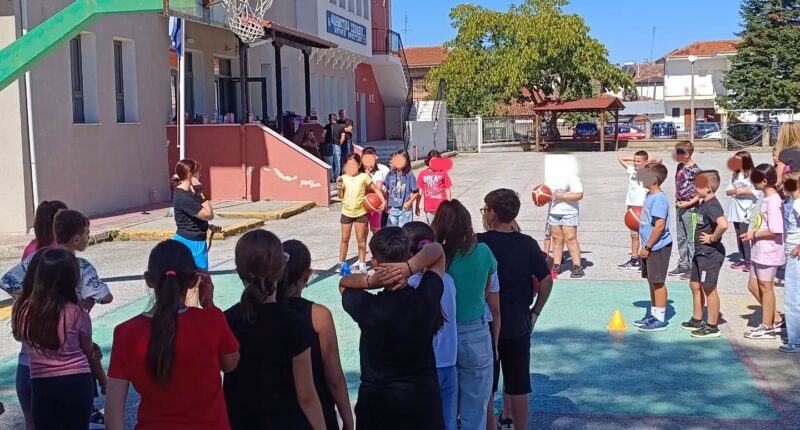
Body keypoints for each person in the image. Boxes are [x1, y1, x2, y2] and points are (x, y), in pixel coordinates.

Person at [105, 240, 240, 430]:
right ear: (194, 281)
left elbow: (113, 417)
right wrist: (209, 306)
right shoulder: (212, 320)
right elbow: (230, 364)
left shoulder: (126, 332)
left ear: (149, 280)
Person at [2, 210, 114, 428]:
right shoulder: (77, 311)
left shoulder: (24, 310)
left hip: (36, 378)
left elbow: (8, 283)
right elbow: (89, 350)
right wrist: (103, 380)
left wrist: (30, 299)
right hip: (76, 381)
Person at [339, 227, 446, 430]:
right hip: (422, 404)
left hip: (377, 407)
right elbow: (437, 251)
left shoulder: (368, 306)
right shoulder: (425, 300)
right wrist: (408, 268)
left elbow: (344, 284)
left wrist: (371, 281)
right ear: (409, 255)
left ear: (375, 262)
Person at [224, 230, 326, 430]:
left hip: (238, 421)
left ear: (238, 270)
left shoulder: (226, 320)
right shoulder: (295, 324)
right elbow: (306, 395)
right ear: (281, 270)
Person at [478, 189, 552, 430]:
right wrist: (535, 311)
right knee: (518, 382)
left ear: (492, 214)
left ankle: (491, 424)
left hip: (486, 319)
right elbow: (546, 279)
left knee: (486, 381)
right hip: (518, 318)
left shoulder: (480, 242)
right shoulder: (527, 243)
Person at [277, 240, 355, 430]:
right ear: (308, 274)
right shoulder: (318, 315)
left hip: (272, 411)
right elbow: (334, 375)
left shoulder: (254, 313)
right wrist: (348, 419)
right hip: (316, 412)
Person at [435, 199, 497, 429]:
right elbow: (488, 292)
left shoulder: (436, 256)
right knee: (476, 407)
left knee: (444, 408)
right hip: (475, 330)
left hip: (441, 333)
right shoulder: (483, 252)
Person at [402, 222, 458, 430]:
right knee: (448, 421)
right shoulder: (448, 281)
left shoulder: (412, 285)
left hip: (425, 365)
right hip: (449, 361)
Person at [681, 171, 728, 338]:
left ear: (708, 188)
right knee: (694, 284)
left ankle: (712, 326)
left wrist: (712, 237)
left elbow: (723, 224)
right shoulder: (704, 203)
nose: (695, 188)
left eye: (698, 185)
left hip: (710, 253)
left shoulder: (713, 205)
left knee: (709, 287)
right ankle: (697, 318)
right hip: (700, 252)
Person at [742, 164, 785, 339]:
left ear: (765, 181)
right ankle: (775, 318)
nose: (753, 184)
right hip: (759, 250)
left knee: (766, 287)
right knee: (753, 285)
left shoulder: (774, 201)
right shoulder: (766, 199)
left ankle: (767, 326)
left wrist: (754, 234)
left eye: (755, 181)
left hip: (769, 251)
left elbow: (776, 230)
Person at [636, 163, 674, 332]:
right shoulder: (650, 195)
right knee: (652, 281)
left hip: (658, 247)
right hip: (649, 247)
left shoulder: (659, 199)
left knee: (658, 282)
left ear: (655, 179)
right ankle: (653, 314)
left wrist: (648, 246)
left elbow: (659, 226)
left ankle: (660, 319)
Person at [337, 154, 386, 274]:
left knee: (361, 239)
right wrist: (339, 187)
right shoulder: (343, 178)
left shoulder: (364, 177)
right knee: (344, 239)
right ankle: (341, 263)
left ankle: (362, 263)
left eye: (354, 164)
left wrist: (383, 201)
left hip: (360, 213)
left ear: (359, 165)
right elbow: (340, 196)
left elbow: (375, 189)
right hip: (346, 212)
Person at [617, 151, 661, 269]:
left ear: (645, 162)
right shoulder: (632, 170)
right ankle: (634, 259)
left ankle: (645, 259)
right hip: (632, 207)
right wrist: (634, 159)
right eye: (635, 161)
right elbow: (620, 158)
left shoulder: (648, 172)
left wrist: (646, 161)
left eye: (638, 161)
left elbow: (659, 159)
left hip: (643, 207)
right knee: (634, 235)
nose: (636, 163)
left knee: (645, 233)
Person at [172, 159, 214, 271]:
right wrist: (200, 191)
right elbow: (209, 214)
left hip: (189, 239)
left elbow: (192, 217)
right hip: (192, 242)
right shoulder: (185, 198)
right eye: (198, 172)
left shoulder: (185, 192)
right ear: (190, 175)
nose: (200, 175)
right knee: (201, 278)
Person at [671, 141, 702, 278]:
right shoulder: (680, 166)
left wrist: (689, 203)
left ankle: (693, 266)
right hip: (679, 205)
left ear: (687, 154)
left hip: (691, 208)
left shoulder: (696, 170)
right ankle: (683, 263)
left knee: (691, 238)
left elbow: (701, 192)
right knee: (681, 237)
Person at [546, 169, 585, 278]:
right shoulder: (550, 179)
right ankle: (556, 265)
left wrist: (562, 197)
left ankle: (577, 266)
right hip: (554, 213)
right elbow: (544, 193)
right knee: (556, 239)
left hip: (569, 213)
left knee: (570, 239)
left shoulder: (572, 178)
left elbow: (579, 195)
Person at [726, 151, 759, 271]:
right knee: (738, 233)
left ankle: (749, 261)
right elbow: (728, 191)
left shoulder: (753, 174)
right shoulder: (735, 174)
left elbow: (759, 191)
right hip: (735, 207)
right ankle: (742, 258)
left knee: (744, 234)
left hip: (747, 208)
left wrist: (745, 191)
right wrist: (736, 191)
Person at [780, 171, 800, 352]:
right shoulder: (792, 203)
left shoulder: (798, 204)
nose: (782, 186)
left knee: (792, 297)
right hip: (791, 252)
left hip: (796, 255)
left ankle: (795, 340)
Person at [416, 150, 453, 224]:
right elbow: (420, 191)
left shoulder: (443, 173)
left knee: (442, 228)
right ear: (428, 161)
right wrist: (417, 205)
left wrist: (449, 205)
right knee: (432, 227)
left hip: (442, 208)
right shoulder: (422, 174)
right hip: (429, 208)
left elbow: (447, 189)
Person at [386, 150, 419, 227]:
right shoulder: (390, 174)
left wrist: (409, 202)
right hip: (392, 209)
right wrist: (387, 204)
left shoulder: (409, 175)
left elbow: (416, 192)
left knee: (404, 231)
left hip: (405, 210)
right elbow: (387, 190)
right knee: (391, 232)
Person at [361, 148, 390, 235]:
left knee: (376, 229)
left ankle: (377, 243)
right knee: (363, 230)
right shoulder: (360, 173)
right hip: (362, 205)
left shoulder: (379, 172)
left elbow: (378, 189)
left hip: (376, 203)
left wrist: (368, 179)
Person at [322, 114, 345, 182]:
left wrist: (324, 142)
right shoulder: (340, 127)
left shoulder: (327, 126)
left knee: (330, 163)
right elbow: (343, 138)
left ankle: (331, 178)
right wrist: (339, 144)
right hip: (337, 146)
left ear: (330, 119)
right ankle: (336, 177)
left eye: (329, 119)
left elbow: (323, 135)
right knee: (337, 163)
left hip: (328, 145)